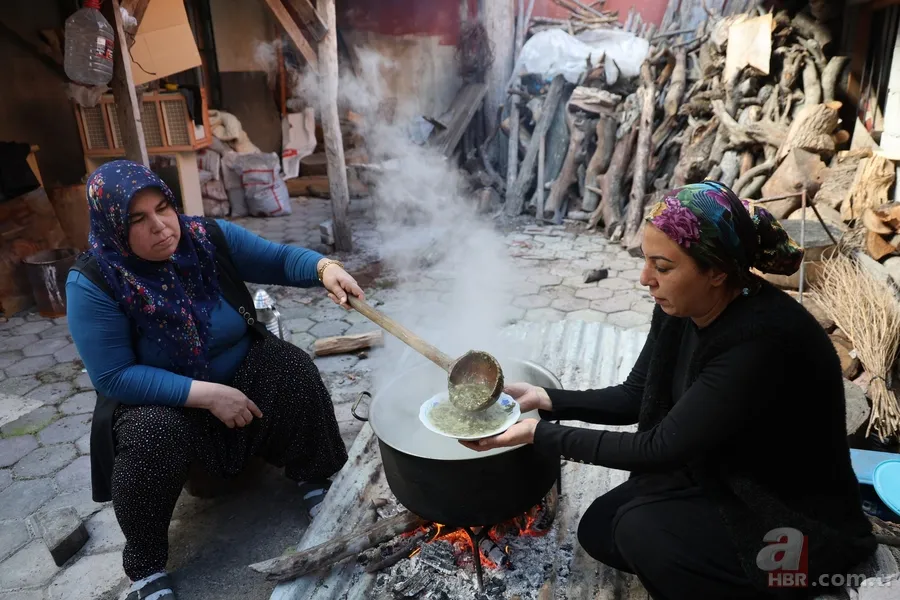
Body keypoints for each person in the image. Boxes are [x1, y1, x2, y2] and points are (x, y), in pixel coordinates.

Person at [462, 181, 877, 600]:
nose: (646, 279)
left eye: (662, 267)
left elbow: (658, 448)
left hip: (786, 511)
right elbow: (635, 394)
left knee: (640, 532)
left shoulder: (760, 343)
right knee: (600, 529)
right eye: (647, 261)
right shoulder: (683, 307)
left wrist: (537, 434)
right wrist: (546, 399)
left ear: (716, 272)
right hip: (723, 471)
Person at [66, 160, 365, 600]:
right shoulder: (95, 280)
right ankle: (146, 568)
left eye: (163, 208)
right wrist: (207, 395)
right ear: (113, 227)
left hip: (240, 379)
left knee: (289, 366)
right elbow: (113, 375)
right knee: (150, 434)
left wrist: (324, 268)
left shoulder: (207, 238)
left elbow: (279, 259)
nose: (160, 226)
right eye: (137, 220)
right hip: (165, 407)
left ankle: (315, 477)